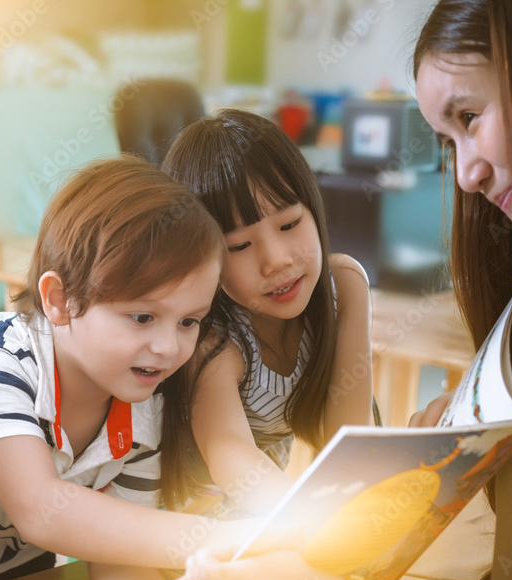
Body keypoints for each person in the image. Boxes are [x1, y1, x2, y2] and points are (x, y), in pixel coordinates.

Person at [167, 1, 512, 580]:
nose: (467, 175)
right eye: (449, 141)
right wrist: (461, 433)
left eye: (469, 117)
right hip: (217, 531)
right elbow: (239, 457)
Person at [0, 155, 243, 580]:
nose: (168, 348)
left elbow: (119, 566)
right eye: (142, 317)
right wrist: (230, 539)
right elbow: (42, 510)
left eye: (188, 321)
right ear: (59, 300)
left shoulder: (143, 403)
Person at [158, 108, 375, 516]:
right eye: (239, 246)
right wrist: (301, 514)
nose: (276, 260)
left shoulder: (344, 287)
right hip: (187, 507)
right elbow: (227, 448)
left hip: (269, 502)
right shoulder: (214, 338)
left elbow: (347, 437)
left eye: (289, 224)